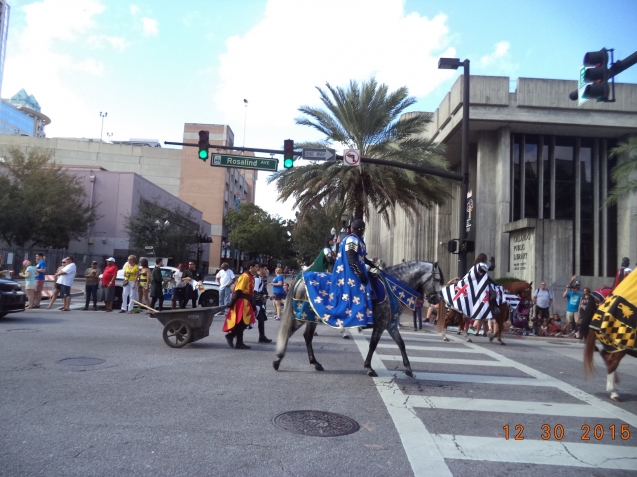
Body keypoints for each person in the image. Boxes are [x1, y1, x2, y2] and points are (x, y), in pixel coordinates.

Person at [223, 260, 257, 350]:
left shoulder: (250, 277)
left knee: (242, 322)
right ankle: (231, 336)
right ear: (251, 267)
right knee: (245, 321)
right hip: (241, 301)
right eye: (256, 267)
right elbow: (238, 290)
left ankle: (239, 342)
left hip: (246, 300)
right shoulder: (245, 276)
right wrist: (232, 302)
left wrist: (253, 303)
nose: (258, 269)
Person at [254, 265, 272, 343]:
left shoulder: (261, 278)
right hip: (255, 303)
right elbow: (254, 292)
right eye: (265, 269)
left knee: (261, 319)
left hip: (260, 303)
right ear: (260, 269)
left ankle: (262, 336)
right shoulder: (257, 278)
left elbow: (262, 290)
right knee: (245, 321)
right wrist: (264, 296)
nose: (266, 270)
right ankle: (234, 335)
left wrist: (266, 295)